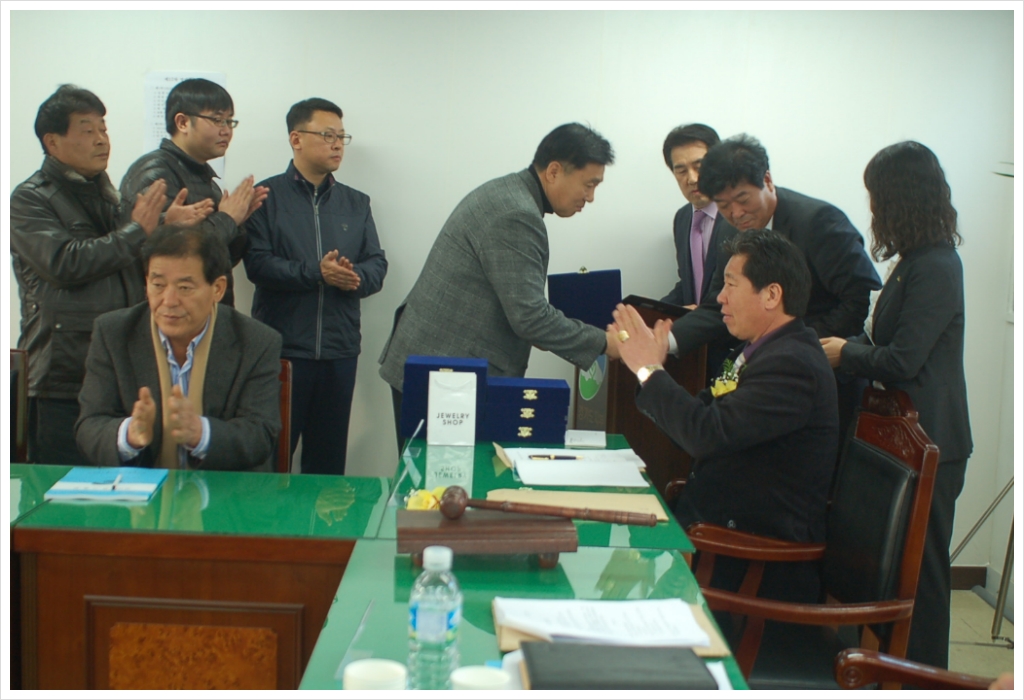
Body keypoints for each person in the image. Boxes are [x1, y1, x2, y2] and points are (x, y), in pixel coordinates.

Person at [612, 229, 838, 603]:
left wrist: (649, 370)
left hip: (750, 565)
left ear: (772, 295)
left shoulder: (793, 365)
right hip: (712, 537)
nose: (720, 297)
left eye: (731, 284)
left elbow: (706, 434)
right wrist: (650, 371)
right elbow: (701, 416)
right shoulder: (759, 351)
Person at [820, 141, 972, 669]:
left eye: (877, 197)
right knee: (891, 571)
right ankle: (887, 666)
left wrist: (845, 354)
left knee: (922, 574)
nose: (873, 209)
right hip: (899, 439)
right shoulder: (913, 262)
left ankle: (925, 677)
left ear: (899, 198)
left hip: (932, 442)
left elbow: (904, 359)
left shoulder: (938, 266)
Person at [378, 123, 621, 449]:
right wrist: (605, 343)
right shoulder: (517, 214)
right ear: (553, 171)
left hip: (438, 366)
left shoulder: (508, 193)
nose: (590, 198)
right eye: (589, 185)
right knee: (440, 478)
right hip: (444, 377)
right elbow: (529, 318)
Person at [666, 134, 881, 442]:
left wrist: (794, 344)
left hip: (824, 378)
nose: (736, 214)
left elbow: (863, 300)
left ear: (767, 180)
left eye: (743, 200)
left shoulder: (819, 222)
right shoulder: (729, 229)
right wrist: (667, 341)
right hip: (761, 375)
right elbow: (716, 306)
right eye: (724, 206)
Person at [10, 84, 167, 465]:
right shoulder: (29, 198)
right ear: (52, 142)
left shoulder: (109, 196)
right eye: (87, 130)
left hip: (121, 367)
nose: (101, 139)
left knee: (127, 488)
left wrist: (162, 229)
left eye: (103, 128)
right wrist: (137, 231)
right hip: (62, 376)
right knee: (62, 490)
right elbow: (64, 262)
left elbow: (126, 261)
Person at [244, 97, 388, 475]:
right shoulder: (266, 197)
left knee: (327, 468)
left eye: (342, 137)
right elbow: (257, 265)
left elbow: (377, 264)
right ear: (296, 139)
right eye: (327, 135)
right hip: (283, 351)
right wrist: (316, 272)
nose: (338, 145)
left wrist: (353, 277)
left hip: (339, 352)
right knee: (272, 461)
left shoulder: (356, 203)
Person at [76, 226, 283, 471]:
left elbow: (260, 434)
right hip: (142, 490)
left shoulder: (257, 341)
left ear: (217, 288)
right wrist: (128, 435)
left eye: (184, 288)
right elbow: (89, 425)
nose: (169, 300)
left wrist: (200, 433)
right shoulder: (114, 333)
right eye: (158, 285)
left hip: (223, 490)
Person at [119, 78, 268, 308]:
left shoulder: (205, 178)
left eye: (230, 121)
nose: (226, 130)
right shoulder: (156, 173)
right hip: (168, 311)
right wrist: (227, 218)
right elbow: (168, 255)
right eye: (217, 120)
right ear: (183, 122)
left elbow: (220, 261)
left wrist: (238, 224)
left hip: (205, 311)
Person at [658, 123, 739, 381]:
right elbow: (688, 284)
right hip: (695, 355)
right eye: (680, 170)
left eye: (699, 166)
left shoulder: (740, 217)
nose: (691, 178)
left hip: (735, 351)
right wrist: (649, 312)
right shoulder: (682, 218)